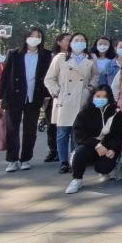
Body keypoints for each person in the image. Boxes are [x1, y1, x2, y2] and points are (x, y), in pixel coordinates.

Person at [44, 32, 100, 174]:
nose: (79, 42)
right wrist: (56, 91)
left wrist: (90, 88)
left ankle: (74, 160)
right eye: (76, 40)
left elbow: (95, 75)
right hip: (64, 98)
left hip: (82, 99)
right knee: (62, 134)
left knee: (77, 134)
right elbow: (49, 78)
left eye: (82, 40)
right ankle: (63, 162)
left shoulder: (90, 58)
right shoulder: (60, 58)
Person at [0, 27, 52, 172]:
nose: (34, 38)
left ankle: (26, 158)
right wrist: (1, 97)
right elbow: (5, 76)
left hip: (34, 97)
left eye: (38, 36)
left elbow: (48, 76)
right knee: (12, 129)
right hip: (14, 96)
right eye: (31, 35)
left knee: (30, 129)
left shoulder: (46, 55)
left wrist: (46, 95)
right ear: (26, 37)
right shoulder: (14, 54)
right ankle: (12, 159)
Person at [65, 87, 122, 194]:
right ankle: (76, 179)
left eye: (104, 97)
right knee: (80, 153)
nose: (101, 99)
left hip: (107, 145)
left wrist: (113, 149)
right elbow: (78, 133)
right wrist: (97, 145)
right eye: (98, 96)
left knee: (104, 166)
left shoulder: (116, 113)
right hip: (90, 144)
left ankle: (104, 171)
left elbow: (119, 135)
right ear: (92, 97)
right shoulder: (84, 112)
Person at [42, 32, 71, 163]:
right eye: (67, 40)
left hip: (71, 97)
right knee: (53, 125)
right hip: (53, 96)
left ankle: (70, 156)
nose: (70, 42)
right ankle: (54, 151)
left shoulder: (79, 57)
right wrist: (54, 91)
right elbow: (48, 77)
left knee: (69, 128)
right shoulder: (51, 56)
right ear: (59, 42)